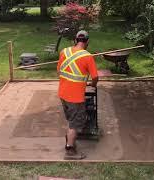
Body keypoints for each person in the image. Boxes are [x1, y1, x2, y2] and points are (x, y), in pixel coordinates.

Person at [57, 30, 98, 160]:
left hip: (63, 93)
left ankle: (70, 136)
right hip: (75, 97)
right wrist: (93, 84)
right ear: (87, 42)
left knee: (71, 119)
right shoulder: (87, 56)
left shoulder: (64, 51)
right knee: (76, 123)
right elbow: (95, 77)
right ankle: (70, 150)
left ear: (75, 40)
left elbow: (59, 71)